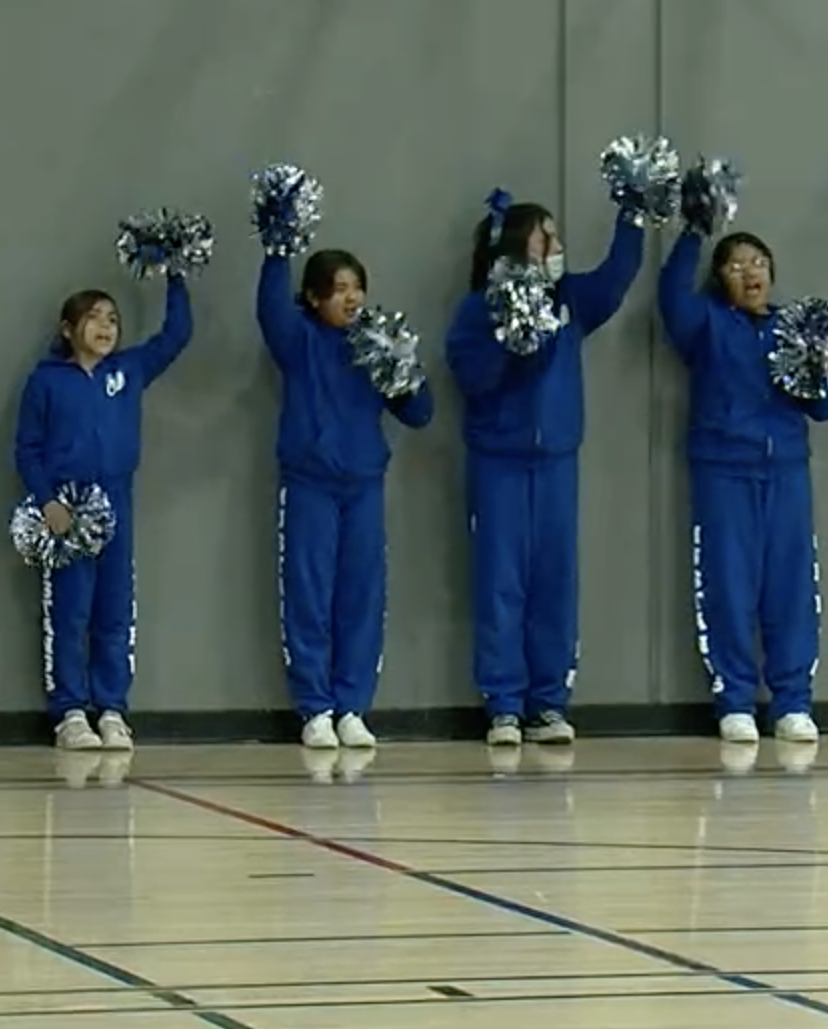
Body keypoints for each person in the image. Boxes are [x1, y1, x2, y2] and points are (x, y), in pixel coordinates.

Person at [444, 192, 645, 747]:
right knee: (500, 585)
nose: (558, 248)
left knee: (556, 583)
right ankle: (504, 706)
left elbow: (617, 277)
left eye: (557, 240)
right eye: (546, 238)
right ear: (516, 245)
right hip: (498, 464)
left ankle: (549, 704)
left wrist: (631, 214)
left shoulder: (571, 300)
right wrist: (514, 341)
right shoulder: (475, 310)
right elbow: (474, 380)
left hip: (557, 463)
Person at [658, 226, 828, 745]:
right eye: (736, 265)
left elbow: (826, 408)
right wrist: (694, 231)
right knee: (729, 585)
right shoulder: (707, 324)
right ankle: (735, 700)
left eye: (758, 261)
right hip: (723, 470)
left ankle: (793, 702)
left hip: (786, 470)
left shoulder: (794, 328)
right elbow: (671, 297)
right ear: (719, 278)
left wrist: (823, 370)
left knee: (791, 589)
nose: (750, 271)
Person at [260, 247, 432, 750]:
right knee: (309, 595)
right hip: (310, 484)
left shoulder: (373, 344)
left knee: (362, 598)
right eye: (338, 289)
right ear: (313, 298)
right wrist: (277, 248)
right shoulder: (299, 341)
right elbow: (269, 308)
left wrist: (403, 367)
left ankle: (353, 707)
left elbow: (420, 414)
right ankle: (315, 709)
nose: (351, 297)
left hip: (364, 487)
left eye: (357, 286)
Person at [14, 278, 192, 751]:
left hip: (118, 503)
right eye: (94, 317)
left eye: (113, 318)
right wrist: (47, 501)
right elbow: (27, 450)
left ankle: (111, 708)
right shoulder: (45, 381)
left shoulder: (129, 370)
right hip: (67, 511)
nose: (106, 326)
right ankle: (70, 712)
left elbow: (175, 337)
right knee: (69, 613)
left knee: (115, 609)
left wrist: (176, 274)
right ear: (68, 328)